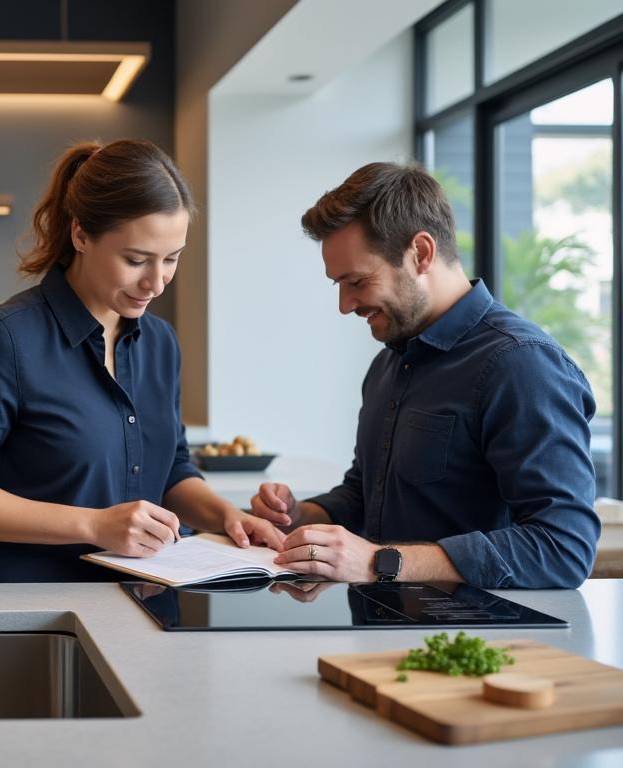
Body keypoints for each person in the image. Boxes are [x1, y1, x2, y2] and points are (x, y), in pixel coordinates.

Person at [0, 139, 284, 583]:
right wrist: (94, 525)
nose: (156, 283)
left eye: (171, 259)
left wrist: (226, 517)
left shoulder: (160, 342)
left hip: (149, 601)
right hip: (32, 611)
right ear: (81, 236)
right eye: (135, 260)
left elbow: (170, 467)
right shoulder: (4, 338)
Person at [250, 162, 599, 589]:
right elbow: (366, 495)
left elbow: (564, 547)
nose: (345, 304)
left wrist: (382, 562)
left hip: (471, 645)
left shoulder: (521, 365)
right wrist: (302, 517)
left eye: (357, 281)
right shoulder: (389, 362)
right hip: (381, 635)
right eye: (338, 284)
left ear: (421, 253)